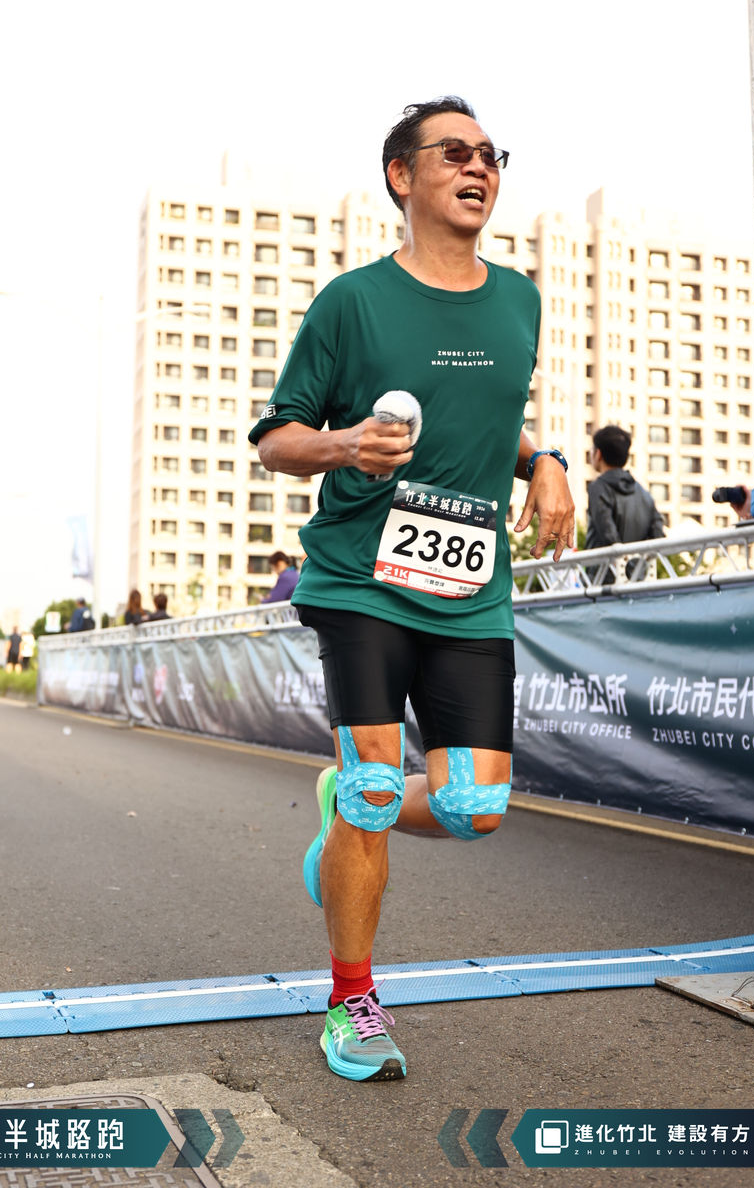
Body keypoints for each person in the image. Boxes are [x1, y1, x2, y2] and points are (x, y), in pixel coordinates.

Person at [249, 96, 574, 1082]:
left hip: (469, 587)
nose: (478, 167)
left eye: (490, 154)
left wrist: (543, 461)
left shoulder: (518, 301)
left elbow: (488, 417)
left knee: (475, 805)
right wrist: (345, 443)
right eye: (454, 152)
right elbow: (277, 438)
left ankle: (347, 804)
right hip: (362, 578)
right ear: (402, 175)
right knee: (376, 782)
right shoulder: (352, 302)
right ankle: (350, 1002)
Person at [586, 425, 664, 581]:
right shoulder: (644, 493)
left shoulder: (598, 487)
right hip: (639, 580)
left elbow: (608, 534)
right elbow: (658, 535)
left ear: (598, 454)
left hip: (602, 580)